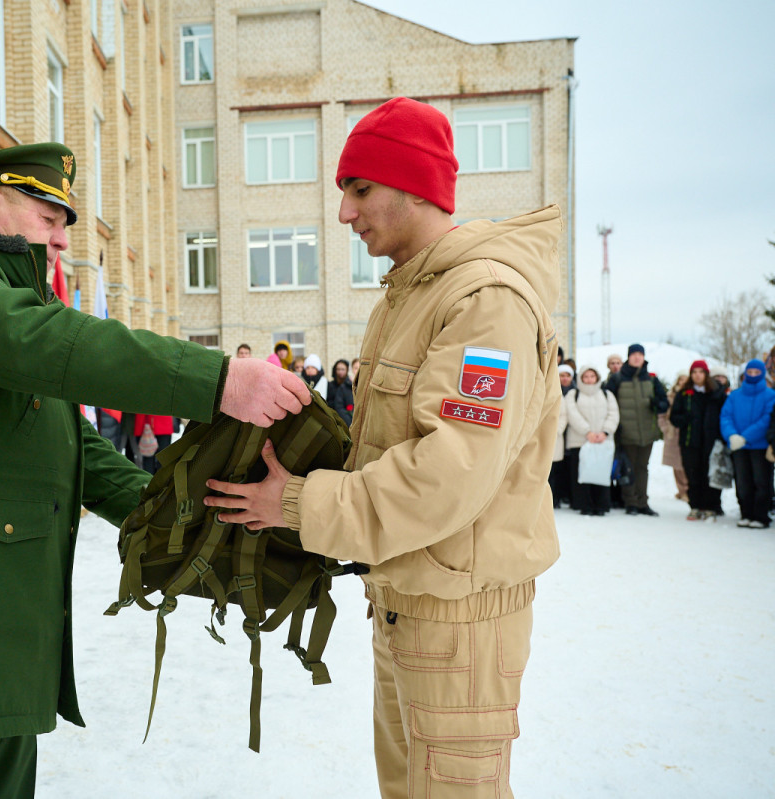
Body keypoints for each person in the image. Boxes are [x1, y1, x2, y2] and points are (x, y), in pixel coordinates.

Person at [0, 142, 311, 798]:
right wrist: (217, 378)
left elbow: (66, 441)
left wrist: (175, 511)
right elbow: (50, 344)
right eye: (49, 218)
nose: (60, 241)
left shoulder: (1, 294)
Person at [203, 97, 561, 798]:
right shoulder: (405, 298)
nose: (344, 214)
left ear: (414, 185)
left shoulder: (485, 302)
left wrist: (301, 500)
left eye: (359, 189)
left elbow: (448, 477)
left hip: (458, 623)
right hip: (408, 600)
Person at [604, 343, 668, 516]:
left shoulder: (652, 380)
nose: (637, 357)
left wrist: (658, 404)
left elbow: (664, 404)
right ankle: (630, 502)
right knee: (629, 468)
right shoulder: (617, 379)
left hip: (647, 432)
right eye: (634, 354)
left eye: (640, 354)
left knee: (643, 467)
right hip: (626, 432)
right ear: (629, 357)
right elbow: (607, 401)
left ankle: (643, 503)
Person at [720, 359, 775, 528]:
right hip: (738, 446)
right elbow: (725, 417)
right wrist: (732, 436)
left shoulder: (770, 395)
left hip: (760, 446)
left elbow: (767, 419)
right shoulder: (735, 395)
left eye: (756, 373)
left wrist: (745, 437)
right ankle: (746, 513)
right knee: (742, 482)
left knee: (761, 481)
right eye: (749, 373)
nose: (752, 375)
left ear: (762, 374)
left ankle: (760, 516)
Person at [669, 360, 726, 521]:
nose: (697, 375)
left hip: (711, 441)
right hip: (690, 442)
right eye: (694, 372)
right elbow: (674, 417)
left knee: (709, 474)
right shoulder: (684, 394)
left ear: (706, 374)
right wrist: (685, 419)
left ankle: (710, 506)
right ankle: (695, 506)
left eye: (701, 372)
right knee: (692, 474)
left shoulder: (716, 393)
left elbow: (724, 416)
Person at [564, 365, 620, 516]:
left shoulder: (606, 394)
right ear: (581, 378)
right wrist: (587, 432)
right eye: (586, 377)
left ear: (597, 378)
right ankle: (584, 504)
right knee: (581, 473)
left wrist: (605, 432)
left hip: (603, 441)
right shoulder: (573, 394)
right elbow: (572, 414)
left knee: (600, 473)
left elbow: (613, 414)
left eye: (592, 376)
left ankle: (601, 505)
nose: (589, 380)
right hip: (580, 441)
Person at [658, 372, 690, 503]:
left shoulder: (690, 396)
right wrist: (665, 429)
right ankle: (681, 490)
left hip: (685, 433)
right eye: (680, 380)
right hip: (672, 434)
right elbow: (662, 415)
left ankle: (687, 490)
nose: (682, 382)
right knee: (675, 465)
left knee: (685, 464)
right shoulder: (670, 396)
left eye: (685, 380)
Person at [550, 363, 575, 508]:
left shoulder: (575, 392)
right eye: (561, 375)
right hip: (554, 437)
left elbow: (564, 416)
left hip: (565, 435)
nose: (565, 379)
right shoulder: (553, 390)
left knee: (560, 470)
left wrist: (557, 430)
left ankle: (559, 497)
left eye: (567, 375)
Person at [326, 359, 354, 425]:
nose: (340, 372)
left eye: (343, 369)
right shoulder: (330, 385)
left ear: (347, 370)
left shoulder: (350, 386)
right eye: (338, 369)